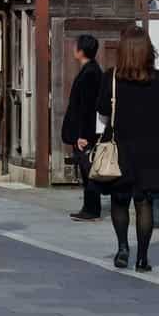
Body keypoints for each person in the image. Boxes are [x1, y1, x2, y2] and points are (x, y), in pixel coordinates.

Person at [96, 26, 159, 273]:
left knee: (120, 201)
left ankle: (122, 248)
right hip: (152, 149)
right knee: (144, 203)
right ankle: (143, 258)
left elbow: (102, 110)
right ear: (146, 50)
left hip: (121, 147)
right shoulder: (157, 78)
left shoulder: (111, 77)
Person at [61, 34, 105, 222]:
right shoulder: (90, 70)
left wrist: (82, 135)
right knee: (87, 170)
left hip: (86, 132)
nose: (73, 49)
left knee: (89, 170)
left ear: (81, 50)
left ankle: (92, 208)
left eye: (75, 46)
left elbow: (87, 108)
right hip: (84, 130)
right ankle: (89, 206)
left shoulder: (90, 73)